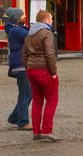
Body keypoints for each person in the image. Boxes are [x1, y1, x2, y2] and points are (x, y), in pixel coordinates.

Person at [23, 9, 60, 142]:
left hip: (31, 69)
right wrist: (53, 71)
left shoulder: (29, 34)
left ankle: (36, 131)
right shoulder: (46, 33)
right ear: (45, 20)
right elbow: (50, 54)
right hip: (44, 69)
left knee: (37, 101)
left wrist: (28, 66)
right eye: (51, 19)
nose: (52, 21)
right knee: (51, 100)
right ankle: (47, 130)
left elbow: (24, 53)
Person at [4, 8, 31, 130]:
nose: (25, 16)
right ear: (16, 18)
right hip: (21, 65)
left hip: (21, 64)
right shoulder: (16, 30)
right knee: (25, 94)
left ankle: (14, 117)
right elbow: (32, 38)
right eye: (22, 15)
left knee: (28, 93)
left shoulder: (16, 29)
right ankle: (23, 121)